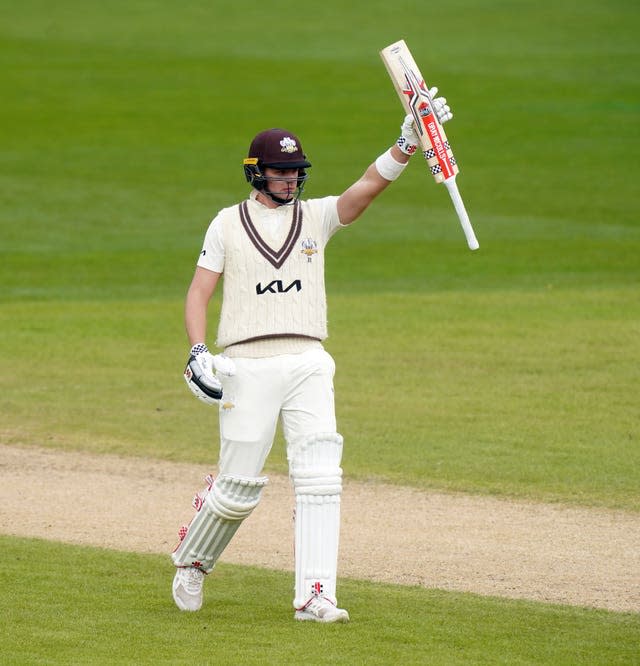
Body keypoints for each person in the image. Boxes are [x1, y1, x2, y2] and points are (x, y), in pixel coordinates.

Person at [172, 90, 453, 623]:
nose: (291, 181)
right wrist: (198, 350)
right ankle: (192, 560)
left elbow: (366, 189)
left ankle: (315, 594)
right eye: (281, 173)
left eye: (296, 172)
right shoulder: (226, 223)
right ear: (256, 174)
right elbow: (198, 292)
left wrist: (406, 143)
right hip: (247, 365)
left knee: (321, 474)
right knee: (237, 489)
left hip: (308, 361)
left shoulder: (318, 218)